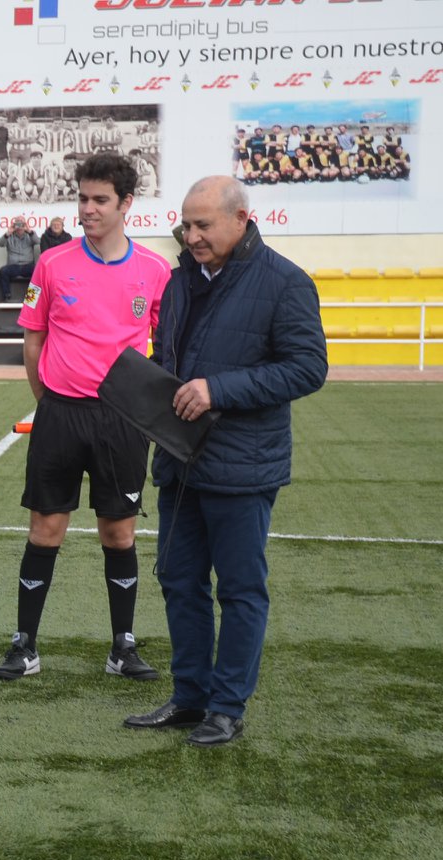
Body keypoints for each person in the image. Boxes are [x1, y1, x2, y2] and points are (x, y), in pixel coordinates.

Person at [124, 175, 327, 746]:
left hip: (243, 466)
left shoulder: (286, 283)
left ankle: (226, 708)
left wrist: (219, 388)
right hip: (180, 461)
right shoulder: (181, 280)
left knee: (239, 589)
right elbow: (170, 359)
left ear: (242, 219)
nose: (191, 236)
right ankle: (190, 698)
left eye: (203, 225)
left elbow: (308, 368)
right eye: (186, 225)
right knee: (180, 580)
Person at [0, 150, 173, 683]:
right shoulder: (52, 262)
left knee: (118, 533)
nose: (87, 209)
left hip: (121, 421)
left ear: (126, 205)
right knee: (45, 528)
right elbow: (34, 338)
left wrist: (147, 407)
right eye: (82, 198)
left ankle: (123, 646)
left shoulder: (154, 270)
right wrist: (47, 399)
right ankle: (25, 644)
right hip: (60, 415)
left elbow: (164, 347)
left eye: (99, 200)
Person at [0, 214, 39, 301]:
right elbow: (0, 244)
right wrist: (8, 233)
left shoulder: (30, 234)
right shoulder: (9, 235)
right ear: (14, 224)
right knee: (3, 271)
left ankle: (32, 299)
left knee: (38, 270)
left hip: (27, 265)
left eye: (22, 223)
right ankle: (6, 296)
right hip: (13, 266)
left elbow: (38, 242)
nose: (20, 226)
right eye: (17, 223)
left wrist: (29, 230)